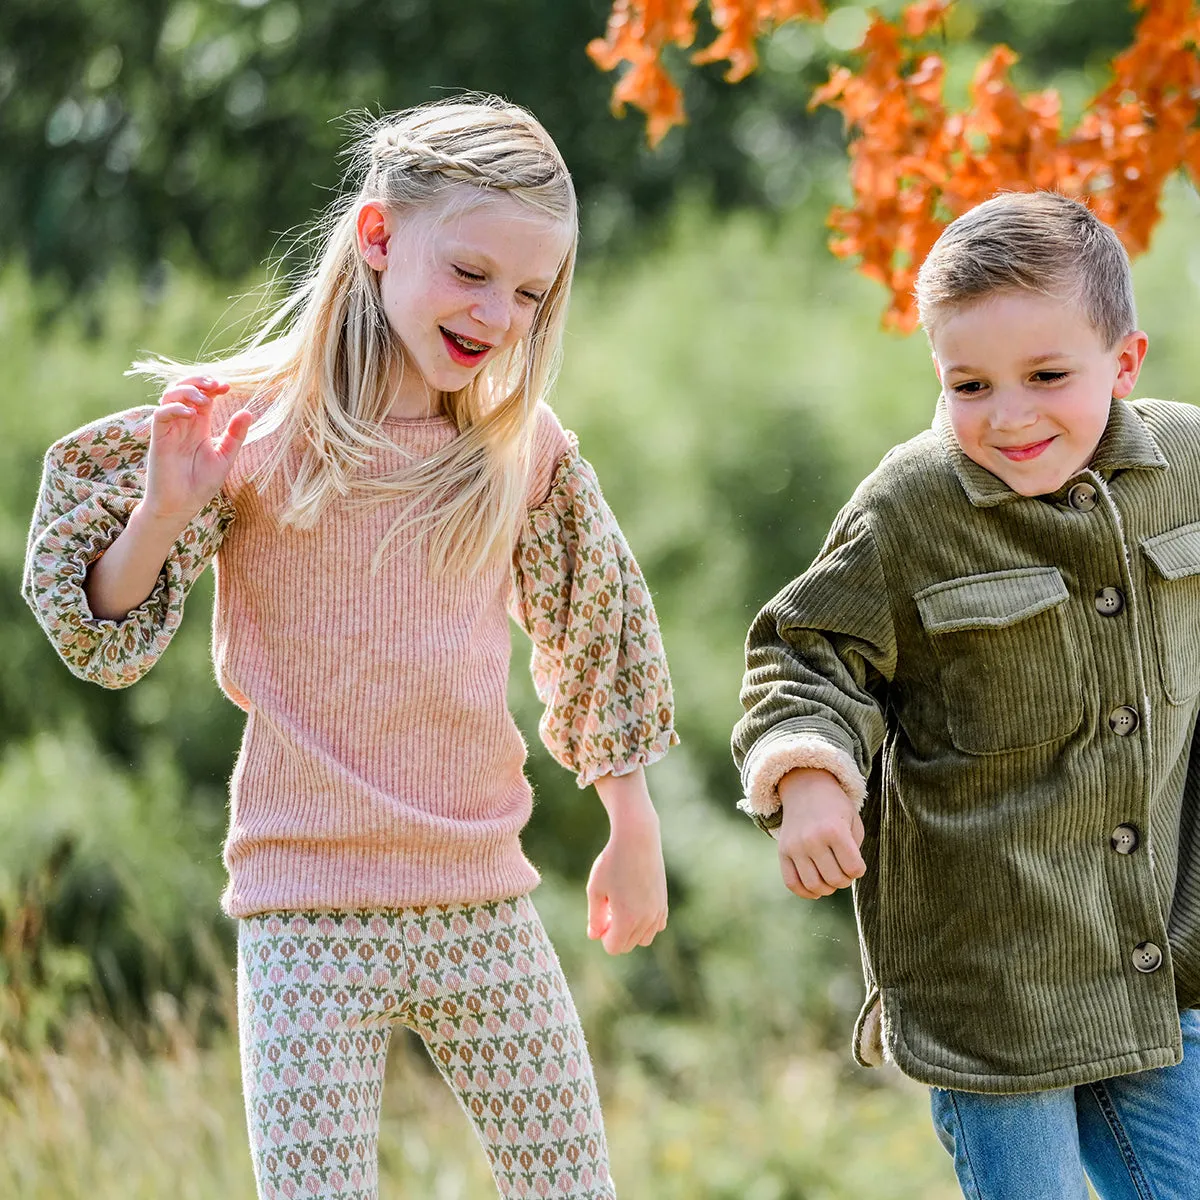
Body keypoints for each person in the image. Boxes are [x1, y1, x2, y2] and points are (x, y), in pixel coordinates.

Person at [23, 95, 677, 1200]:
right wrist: (164, 511)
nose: (498, 313)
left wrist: (633, 821)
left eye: (530, 293)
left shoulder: (518, 454)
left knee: (570, 1187)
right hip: (303, 916)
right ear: (378, 238)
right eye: (470, 271)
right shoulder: (250, 432)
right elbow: (101, 627)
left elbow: (595, 624)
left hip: (482, 899)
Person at [732, 190, 1200, 1199]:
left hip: (1161, 961)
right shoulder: (909, 508)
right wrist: (808, 774)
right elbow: (804, 655)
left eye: (1046, 376)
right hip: (994, 987)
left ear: (1125, 362)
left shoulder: (1189, 468)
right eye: (969, 384)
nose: (1010, 414)